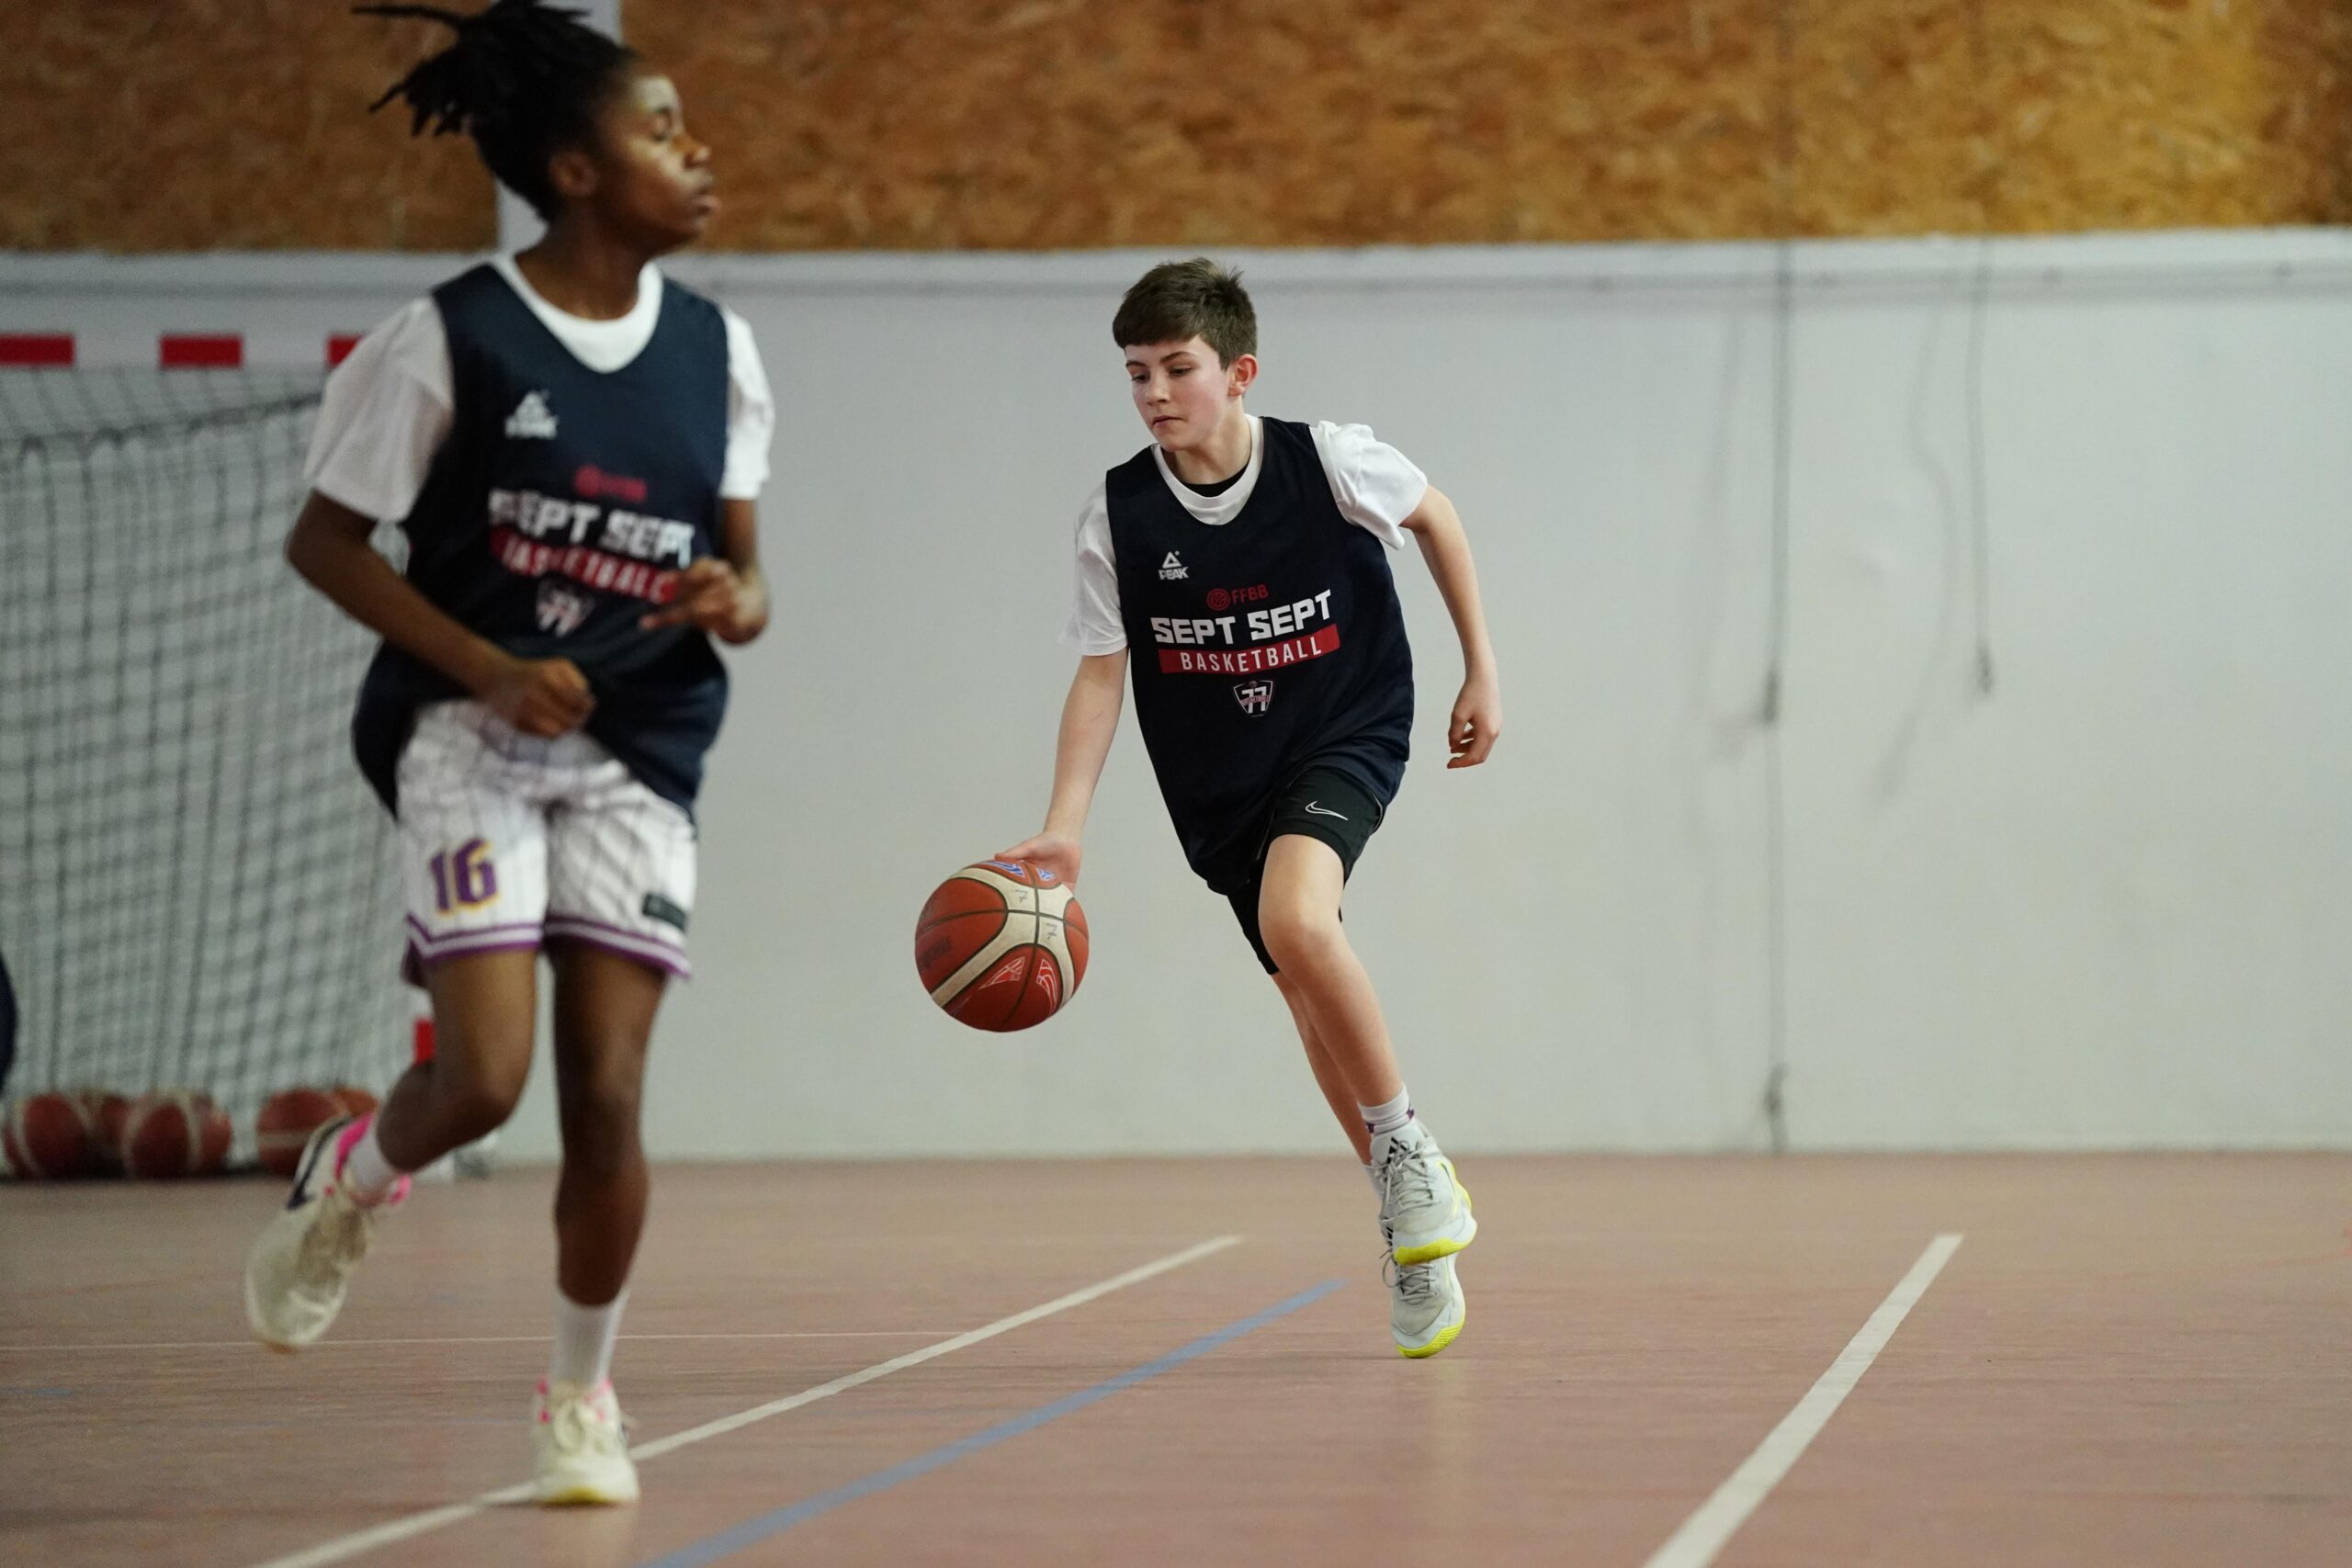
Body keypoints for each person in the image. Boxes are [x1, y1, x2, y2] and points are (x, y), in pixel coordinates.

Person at [241, 0, 773, 1505]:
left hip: (636, 749)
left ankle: (580, 1398)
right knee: (482, 1080)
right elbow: (324, 542)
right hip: (469, 733)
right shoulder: (449, 338)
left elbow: (750, 575)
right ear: (577, 169)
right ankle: (352, 1175)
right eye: (661, 129)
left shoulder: (720, 352)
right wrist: (486, 663)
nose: (697, 149)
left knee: (606, 1098)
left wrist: (735, 596)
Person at [1002, 259, 1502, 1358]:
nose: (1154, 392)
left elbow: (1436, 517)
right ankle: (1411, 1221)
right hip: (1218, 775)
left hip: (1343, 727)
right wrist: (1065, 825)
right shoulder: (1119, 515)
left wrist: (1481, 667)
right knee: (1303, 994)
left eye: (1176, 368)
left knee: (1297, 920)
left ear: (1239, 373)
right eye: (1136, 373)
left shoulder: (1328, 460)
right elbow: (1100, 674)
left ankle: (1411, 1161)